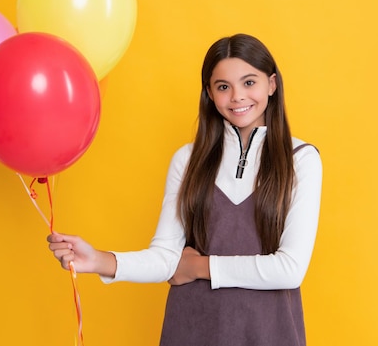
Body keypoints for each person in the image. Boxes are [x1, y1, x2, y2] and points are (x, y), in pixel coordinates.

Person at [48, 33, 323, 346]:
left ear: (271, 85)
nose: (237, 97)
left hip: (268, 332)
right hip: (193, 328)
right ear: (209, 92)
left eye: (249, 83)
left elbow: (289, 269)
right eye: (223, 87)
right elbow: (166, 257)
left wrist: (200, 266)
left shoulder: (300, 160)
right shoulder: (188, 160)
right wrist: (99, 260)